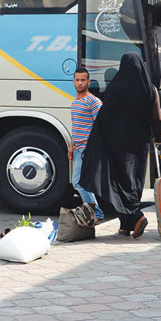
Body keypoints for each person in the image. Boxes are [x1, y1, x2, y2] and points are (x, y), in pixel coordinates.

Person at [80, 52, 161, 238]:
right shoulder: (149, 89)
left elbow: (104, 117)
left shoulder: (115, 88)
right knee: (133, 180)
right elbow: (158, 118)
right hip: (138, 146)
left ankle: (136, 217)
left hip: (116, 144)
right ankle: (125, 225)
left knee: (117, 180)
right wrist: (159, 137)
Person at [68, 68, 104, 220]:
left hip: (86, 148)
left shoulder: (93, 101)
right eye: (77, 80)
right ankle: (94, 212)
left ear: (88, 82)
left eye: (83, 80)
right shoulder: (75, 102)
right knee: (82, 182)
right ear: (73, 82)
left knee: (78, 182)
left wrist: (92, 147)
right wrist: (71, 147)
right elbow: (76, 125)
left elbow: (100, 125)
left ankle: (96, 212)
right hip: (77, 148)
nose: (80, 82)